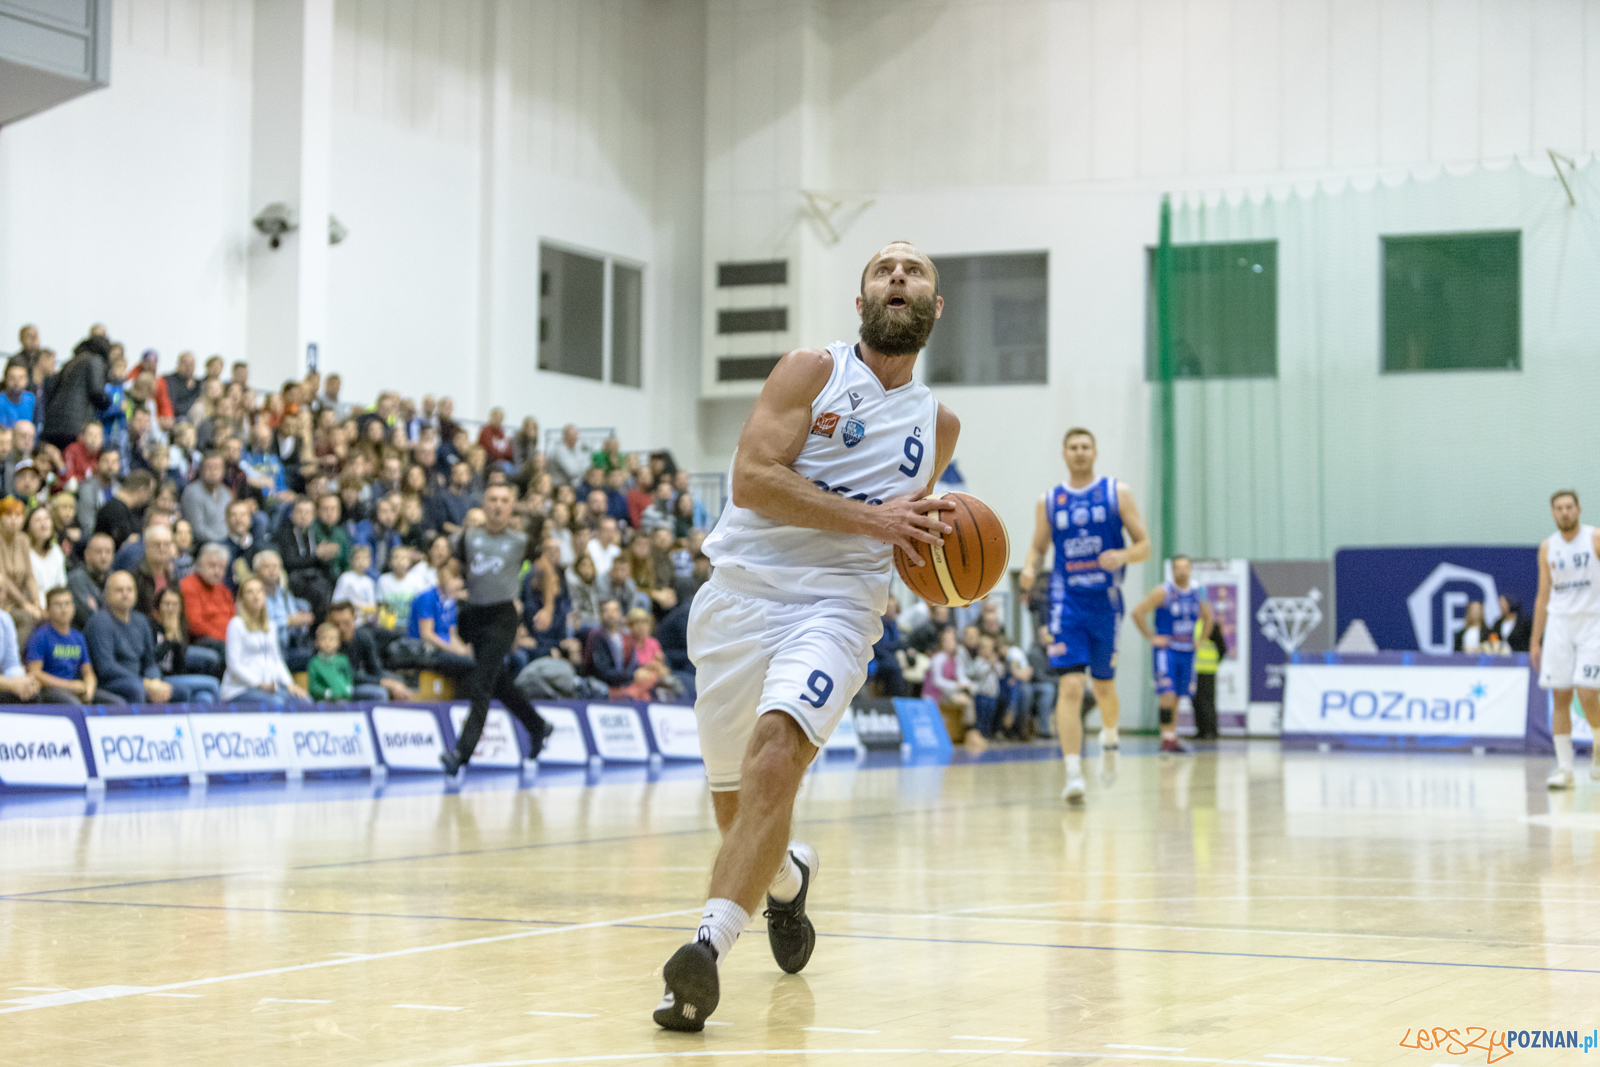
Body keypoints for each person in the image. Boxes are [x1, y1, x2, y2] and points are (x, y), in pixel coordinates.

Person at [652, 241, 959, 1032]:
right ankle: (786, 879)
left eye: (914, 269)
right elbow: (752, 479)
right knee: (741, 809)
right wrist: (874, 517)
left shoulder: (939, 424)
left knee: (776, 757)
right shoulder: (809, 372)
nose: (898, 275)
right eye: (883, 269)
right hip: (739, 596)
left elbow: (905, 534)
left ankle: (704, 951)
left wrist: (938, 557)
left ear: (935, 306)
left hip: (839, 606)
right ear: (860, 304)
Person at [1017, 426, 1150, 804]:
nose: (1079, 452)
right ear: (1064, 454)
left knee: (1104, 688)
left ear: (1095, 452)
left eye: (1085, 447)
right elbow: (1037, 548)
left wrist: (1123, 555)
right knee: (1071, 686)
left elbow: (1145, 545)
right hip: (1066, 602)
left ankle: (1110, 733)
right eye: (1072, 447)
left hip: (1105, 603)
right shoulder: (1050, 500)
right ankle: (1073, 772)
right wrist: (1029, 568)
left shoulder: (1116, 493)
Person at [438, 484, 552, 776]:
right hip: (475, 615)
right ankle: (537, 726)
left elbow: (547, 571)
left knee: (481, 686)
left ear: (511, 506)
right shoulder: (469, 538)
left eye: (504, 500)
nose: (498, 505)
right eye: (493, 499)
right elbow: (449, 566)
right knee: (498, 683)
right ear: (484, 504)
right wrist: (448, 581)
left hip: (503, 617)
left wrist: (548, 607)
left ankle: (460, 755)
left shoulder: (520, 541)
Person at [1531, 490, 1600, 789]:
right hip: (1559, 625)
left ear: (1579, 509)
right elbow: (1543, 594)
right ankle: (1565, 769)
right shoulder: (1548, 547)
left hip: (1592, 623)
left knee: (1587, 691)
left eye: (1569, 507)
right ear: (1553, 513)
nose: (1564, 512)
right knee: (1560, 696)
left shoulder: (1594, 539)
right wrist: (1535, 639)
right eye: (1558, 508)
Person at [85, 571, 217, 704]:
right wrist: (145, 683)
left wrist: (155, 681)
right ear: (107, 594)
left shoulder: (141, 621)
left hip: (141, 680)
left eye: (129, 590)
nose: (125, 594)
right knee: (135, 689)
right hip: (112, 682)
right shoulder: (100, 621)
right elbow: (106, 667)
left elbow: (150, 662)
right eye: (119, 590)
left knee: (180, 692)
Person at [1130, 554, 1213, 755]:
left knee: (1177, 696)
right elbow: (1138, 612)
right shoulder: (1163, 592)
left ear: (1191, 570)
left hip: (1186, 651)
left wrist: (1200, 640)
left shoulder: (1197, 593)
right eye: (1178, 568)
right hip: (1166, 650)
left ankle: (1171, 736)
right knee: (1166, 694)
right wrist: (1151, 636)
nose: (1182, 571)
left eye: (1186, 567)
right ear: (1173, 570)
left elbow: (1209, 617)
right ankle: (1166, 738)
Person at [221, 576, 308, 704]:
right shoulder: (236, 624)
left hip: (269, 688)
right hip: (240, 689)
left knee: (305, 701)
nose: (255, 596)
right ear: (242, 598)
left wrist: (290, 684)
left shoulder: (271, 626)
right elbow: (234, 665)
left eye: (259, 591)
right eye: (250, 592)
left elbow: (277, 659)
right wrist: (259, 684)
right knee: (277, 702)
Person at [26, 586, 111, 704]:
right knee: (74, 705)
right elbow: (35, 673)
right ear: (48, 610)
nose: (63, 609)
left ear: (73, 607)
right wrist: (69, 685)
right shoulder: (40, 636)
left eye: (67, 603)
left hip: (75, 689)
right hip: (49, 691)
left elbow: (88, 671)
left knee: (116, 703)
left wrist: (89, 688)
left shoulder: (78, 637)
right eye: (58, 604)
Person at [180, 542, 236, 656]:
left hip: (226, 641)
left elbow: (233, 622)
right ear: (199, 564)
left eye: (221, 567)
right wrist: (225, 638)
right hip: (202, 641)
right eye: (212, 565)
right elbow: (195, 625)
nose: (217, 571)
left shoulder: (224, 590)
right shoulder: (188, 585)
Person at [0, 497, 42, 639]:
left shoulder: (23, 539)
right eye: (8, 515)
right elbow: (3, 578)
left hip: (21, 597)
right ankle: (12, 658)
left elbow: (29, 575)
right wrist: (25, 604)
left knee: (42, 614)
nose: (13, 520)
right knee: (25, 618)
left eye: (17, 516)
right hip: (4, 598)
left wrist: (36, 602)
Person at [92, 468, 155, 549]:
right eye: (149, 493)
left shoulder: (127, 510)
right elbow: (125, 543)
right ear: (142, 490)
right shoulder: (115, 510)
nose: (148, 498)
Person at [181, 452, 232, 546]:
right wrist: (220, 540)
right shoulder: (192, 493)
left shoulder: (227, 493)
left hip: (227, 541)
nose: (213, 471)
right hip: (203, 544)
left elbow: (230, 522)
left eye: (216, 467)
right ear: (201, 470)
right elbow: (196, 529)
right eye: (208, 467)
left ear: (223, 471)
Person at [69, 532, 115, 629]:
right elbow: (89, 616)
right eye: (98, 552)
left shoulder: (115, 579)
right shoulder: (77, 578)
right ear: (87, 555)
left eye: (108, 552)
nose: (104, 557)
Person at [25, 505, 67, 607]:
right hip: (32, 607)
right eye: (38, 520)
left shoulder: (56, 550)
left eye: (47, 519)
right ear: (28, 526)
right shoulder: (24, 552)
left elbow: (61, 584)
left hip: (55, 608)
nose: (44, 524)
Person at [0, 609, 42, 703]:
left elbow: (12, 665)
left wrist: (24, 682)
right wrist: (9, 684)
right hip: (3, 683)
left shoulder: (4, 619)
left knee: (30, 695)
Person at [306, 621, 355, 701]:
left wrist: (348, 689)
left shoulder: (343, 660)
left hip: (345, 698)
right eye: (323, 638)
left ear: (338, 642)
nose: (327, 642)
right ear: (317, 642)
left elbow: (348, 678)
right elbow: (313, 687)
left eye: (332, 639)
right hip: (325, 701)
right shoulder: (314, 663)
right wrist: (326, 693)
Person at [332, 543, 378, 624]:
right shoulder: (346, 578)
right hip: (351, 621)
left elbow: (372, 604)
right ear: (351, 560)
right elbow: (337, 601)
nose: (361, 561)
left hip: (366, 622)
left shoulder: (369, 582)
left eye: (365, 558)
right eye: (358, 558)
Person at [0, 362, 36, 428]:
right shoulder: (1, 401)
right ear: (5, 379)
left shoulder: (31, 399)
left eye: (21, 378)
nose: (16, 382)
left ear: (26, 380)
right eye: (12, 378)